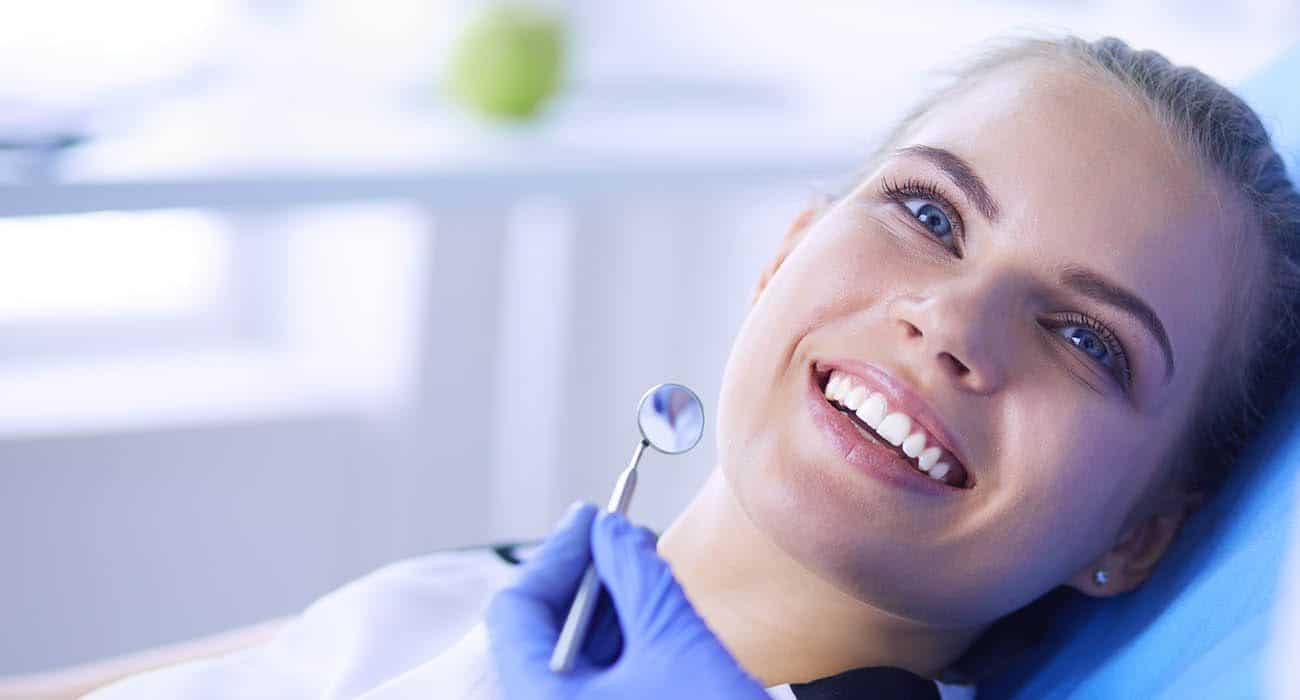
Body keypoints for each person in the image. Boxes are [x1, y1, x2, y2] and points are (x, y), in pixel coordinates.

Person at [85, 32, 1300, 699]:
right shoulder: (492, 585)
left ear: (1136, 537)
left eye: (1086, 338)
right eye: (930, 214)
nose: (949, 323)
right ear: (783, 258)